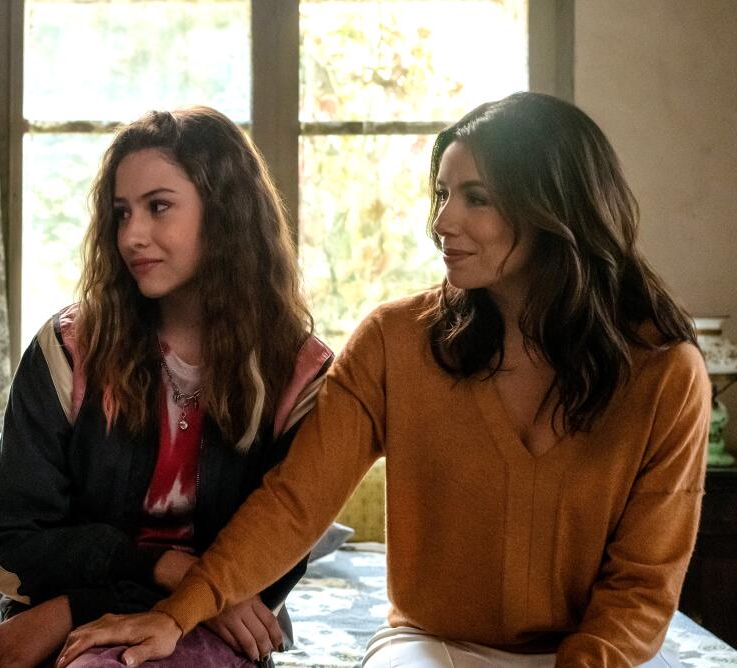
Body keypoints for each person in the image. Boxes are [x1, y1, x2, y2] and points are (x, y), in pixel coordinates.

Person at [59, 92, 709, 668]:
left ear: (554, 208)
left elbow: (643, 584)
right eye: (442, 193)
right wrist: (180, 612)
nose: (442, 222)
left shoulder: (664, 375)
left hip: (593, 656)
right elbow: (296, 503)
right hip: (432, 646)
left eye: (475, 197)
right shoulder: (396, 341)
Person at [0, 106, 333, 668]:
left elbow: (274, 558)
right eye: (121, 213)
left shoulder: (299, 374)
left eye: (158, 207)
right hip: (59, 610)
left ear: (225, 212)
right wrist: (163, 570)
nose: (132, 235)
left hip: (215, 622)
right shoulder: (70, 349)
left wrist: (184, 592)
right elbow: (12, 538)